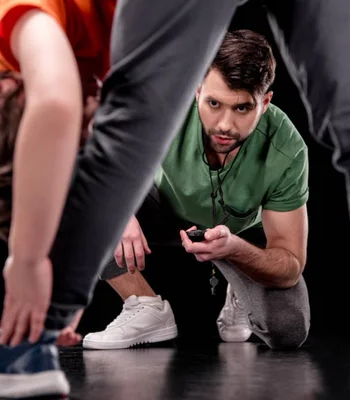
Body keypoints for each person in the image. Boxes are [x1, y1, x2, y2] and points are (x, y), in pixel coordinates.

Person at [0, 0, 350, 398]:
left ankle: (24, 347)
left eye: (242, 108)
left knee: (128, 130)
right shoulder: (83, 62)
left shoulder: (16, 34)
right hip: (173, 222)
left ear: (0, 88)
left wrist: (29, 264)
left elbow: (58, 107)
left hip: (229, 233)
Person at [81, 29, 311, 352]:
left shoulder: (287, 149)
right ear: (198, 88)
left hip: (239, 236)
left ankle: (239, 292)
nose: (225, 125)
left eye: (243, 108)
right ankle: (145, 306)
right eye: (214, 103)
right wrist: (119, 209)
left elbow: (290, 263)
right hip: (165, 212)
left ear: (266, 102)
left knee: (288, 328)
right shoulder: (162, 101)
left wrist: (234, 249)